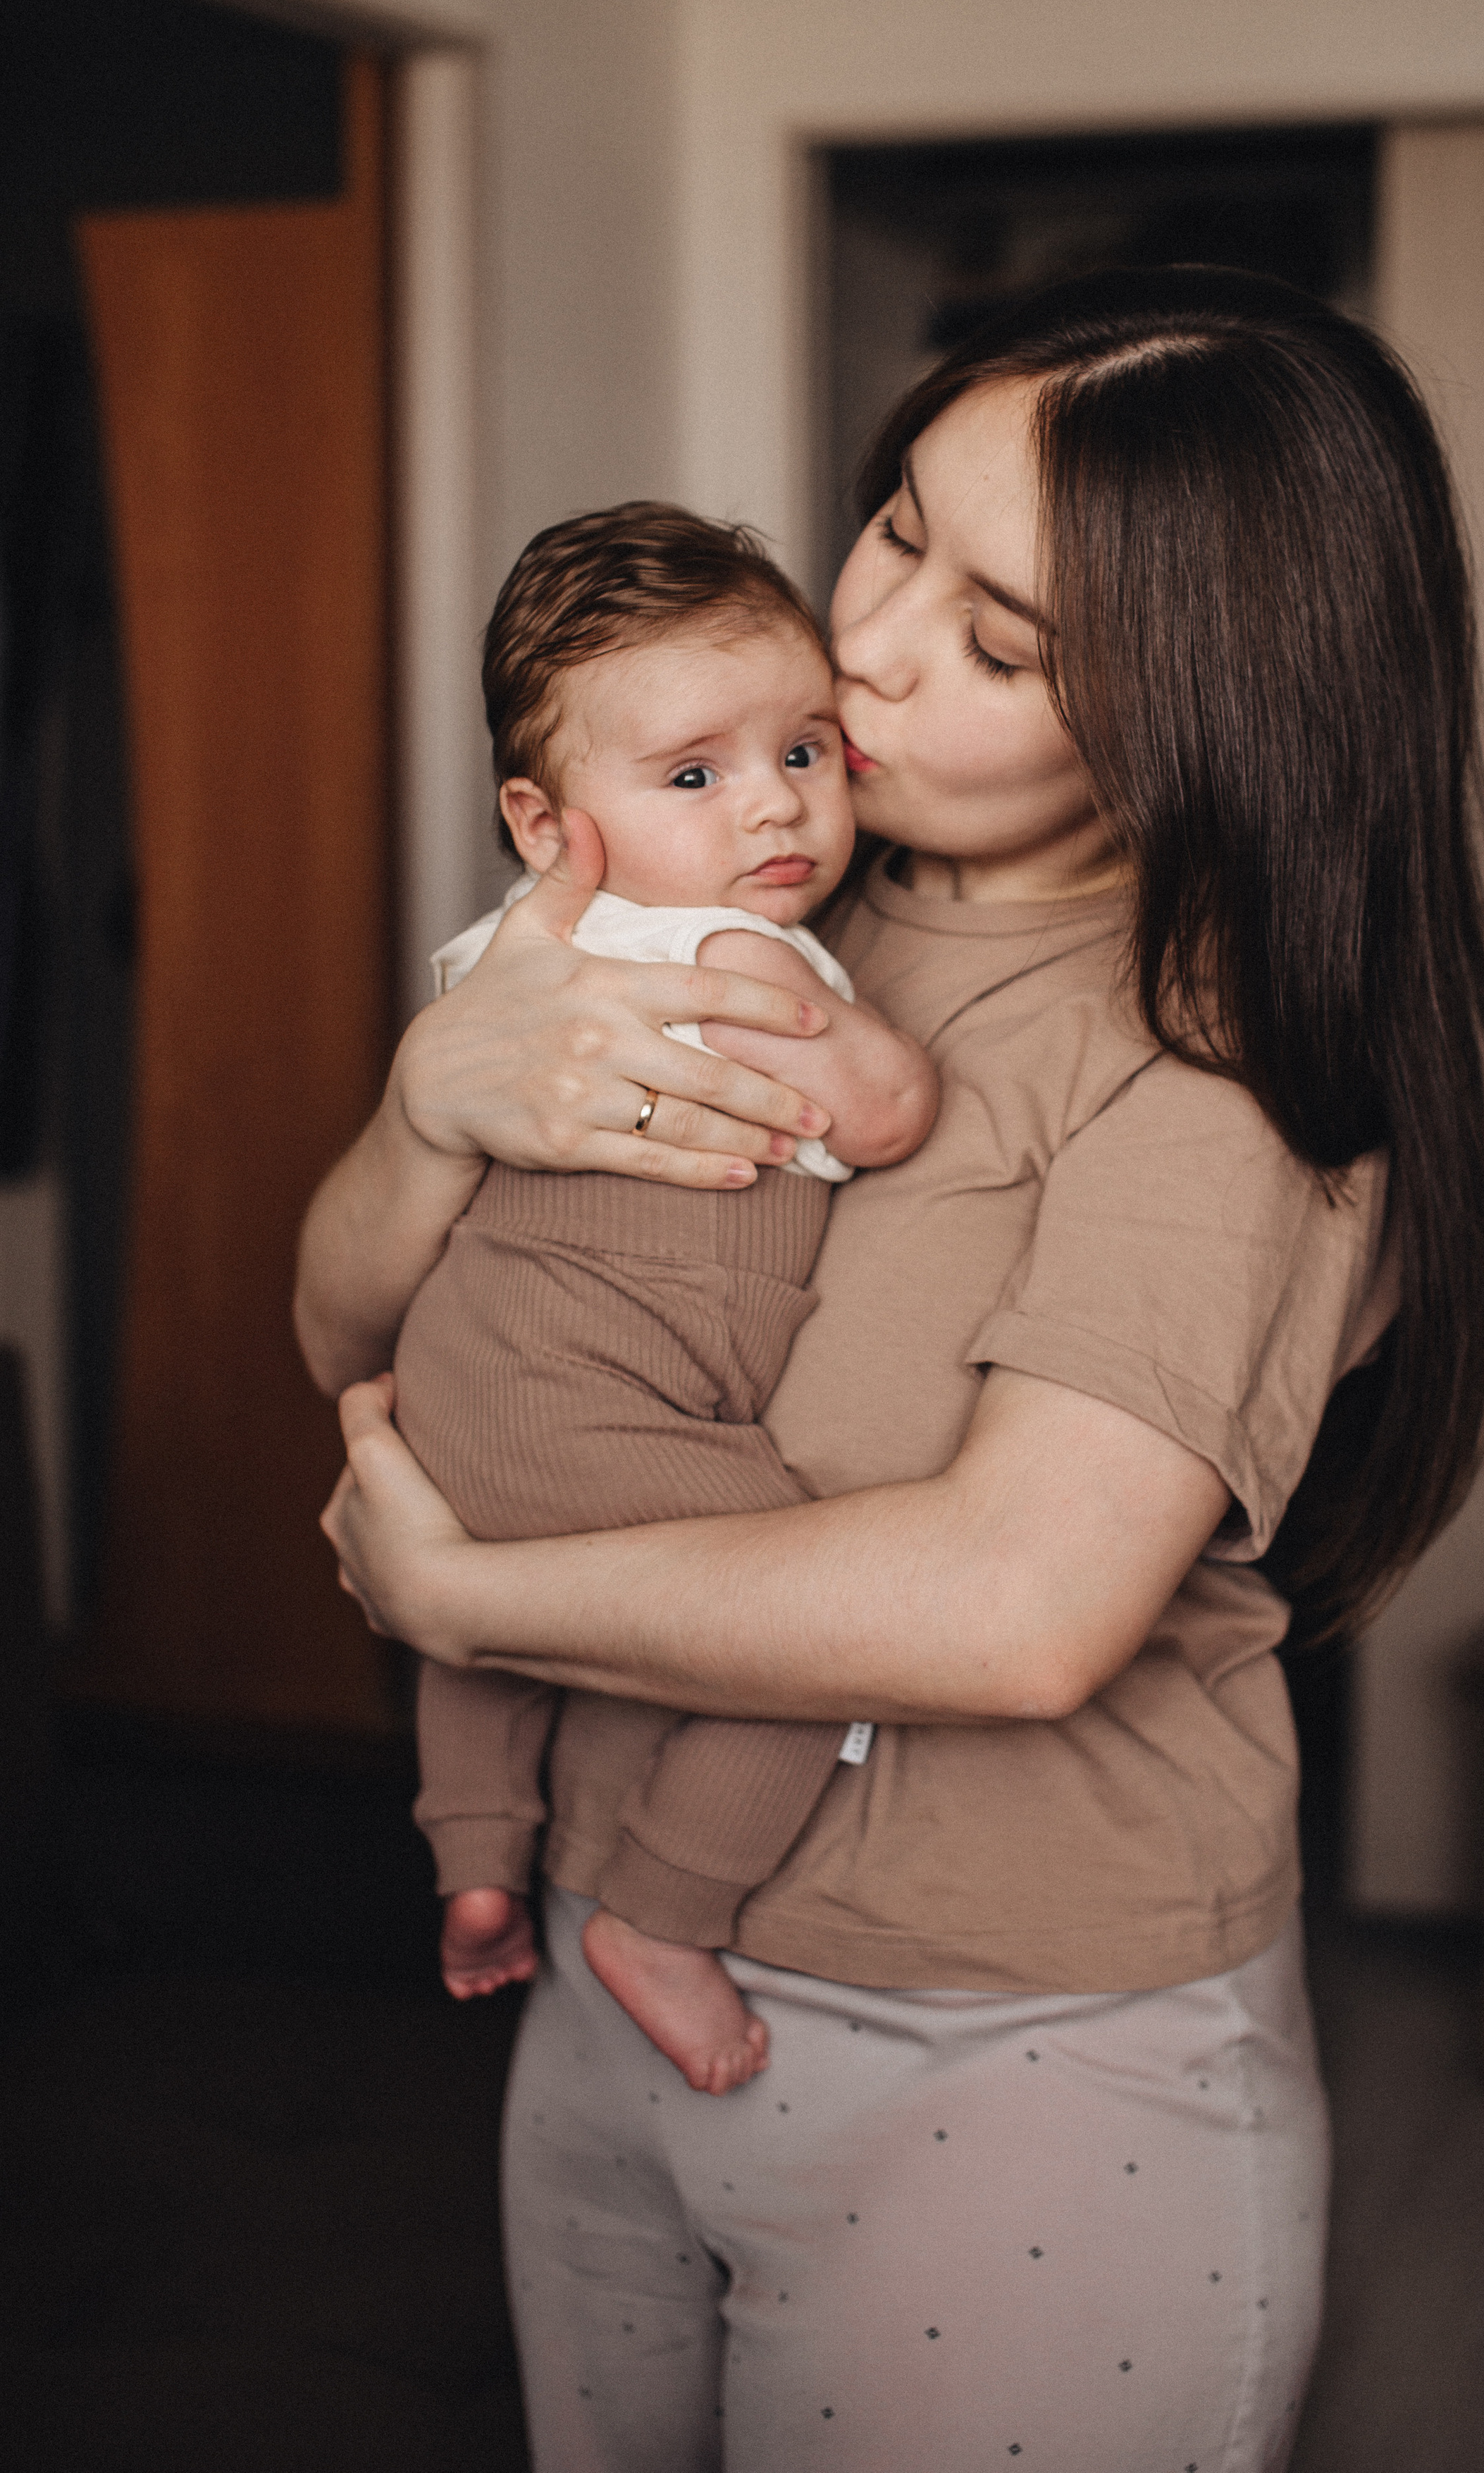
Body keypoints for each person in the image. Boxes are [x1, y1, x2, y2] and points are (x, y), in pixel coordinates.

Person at [299, 267, 1484, 2473]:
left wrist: (464, 1601)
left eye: (998, 642)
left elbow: (1019, 1609)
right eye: (894, 527)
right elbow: (359, 1339)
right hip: (607, 1958)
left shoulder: (1223, 1057)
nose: (863, 649)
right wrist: (430, 1106)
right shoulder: (757, 886)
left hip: (1014, 2044)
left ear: (1207, 707)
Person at [396, 502, 937, 2095]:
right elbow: (884, 1115)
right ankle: (661, 1916)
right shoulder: (729, 957)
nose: (774, 804)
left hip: (465, 1372)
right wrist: (887, 1055)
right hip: (590, 1393)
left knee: (494, 1617)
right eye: (694, 776)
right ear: (544, 819)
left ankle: (476, 1855)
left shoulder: (514, 956)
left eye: (804, 751)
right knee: (807, 1634)